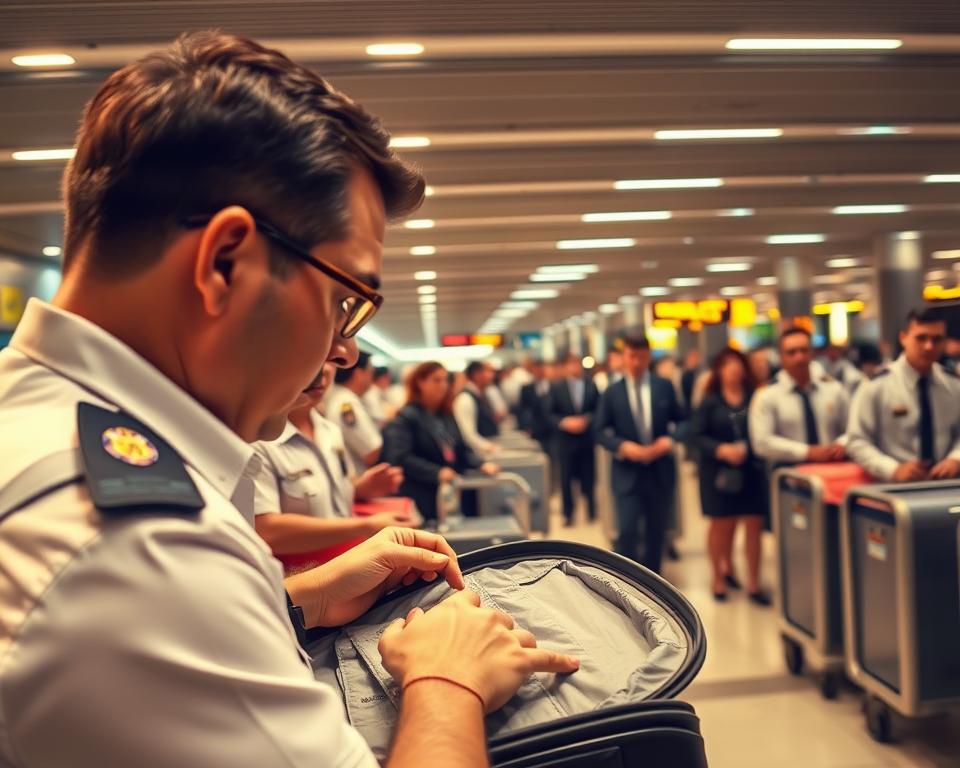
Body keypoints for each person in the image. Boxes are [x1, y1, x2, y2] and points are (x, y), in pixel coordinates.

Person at [0, 32, 579, 768]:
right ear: (225, 262)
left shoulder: (29, 423)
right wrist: (447, 681)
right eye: (345, 298)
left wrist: (297, 600)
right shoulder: (142, 550)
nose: (342, 349)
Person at [252, 361, 411, 561]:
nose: (325, 370)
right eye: (320, 357)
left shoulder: (329, 431)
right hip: (298, 575)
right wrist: (365, 526)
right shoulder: (257, 439)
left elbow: (338, 489)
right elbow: (265, 530)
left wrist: (362, 487)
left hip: (345, 559)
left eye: (332, 361)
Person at [594, 333, 684, 574]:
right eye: (632, 357)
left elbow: (685, 421)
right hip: (627, 472)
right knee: (627, 530)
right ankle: (630, 581)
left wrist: (670, 440)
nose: (636, 363)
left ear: (648, 358)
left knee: (657, 531)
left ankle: (655, 581)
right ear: (623, 357)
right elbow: (599, 430)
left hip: (659, 470)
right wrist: (621, 446)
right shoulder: (612, 392)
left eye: (642, 357)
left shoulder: (663, 387)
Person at [692, 348, 770, 604]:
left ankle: (754, 582)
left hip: (750, 471)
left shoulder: (756, 398)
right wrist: (720, 449)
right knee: (722, 525)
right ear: (719, 371)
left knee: (752, 526)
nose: (734, 370)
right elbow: (697, 435)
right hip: (718, 473)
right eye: (727, 366)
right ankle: (719, 575)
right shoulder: (710, 402)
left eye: (738, 365)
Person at [846, 308, 960, 482]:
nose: (929, 346)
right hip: (894, 488)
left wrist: (955, 459)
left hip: (946, 486)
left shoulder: (953, 385)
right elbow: (857, 441)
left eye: (936, 339)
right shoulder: (877, 386)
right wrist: (892, 469)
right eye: (921, 338)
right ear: (904, 338)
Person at [383, 361, 500, 522]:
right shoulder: (406, 417)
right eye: (436, 380)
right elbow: (400, 458)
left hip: (447, 493)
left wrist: (480, 464)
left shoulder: (445, 415)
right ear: (420, 383)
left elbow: (461, 449)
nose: (443, 385)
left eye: (445, 380)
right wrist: (436, 472)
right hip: (421, 494)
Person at [749, 328, 850, 467]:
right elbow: (761, 443)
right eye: (792, 352)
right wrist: (807, 452)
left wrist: (842, 444)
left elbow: (853, 428)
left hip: (833, 469)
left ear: (812, 353)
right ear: (781, 357)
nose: (799, 357)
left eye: (804, 350)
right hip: (789, 475)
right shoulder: (767, 395)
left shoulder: (833, 389)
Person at [549, 353, 601, 526]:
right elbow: (549, 414)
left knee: (589, 476)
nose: (574, 367)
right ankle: (568, 513)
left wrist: (587, 420)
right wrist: (564, 422)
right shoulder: (557, 387)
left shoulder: (590, 384)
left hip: (586, 439)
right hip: (566, 441)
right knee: (566, 479)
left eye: (576, 364)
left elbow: (599, 409)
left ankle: (592, 510)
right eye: (570, 364)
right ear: (564, 367)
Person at [326, 350, 383, 471]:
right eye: (370, 373)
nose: (372, 380)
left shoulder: (342, 397)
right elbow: (371, 453)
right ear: (358, 374)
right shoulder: (347, 404)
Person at [453, 360, 500, 457]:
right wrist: (488, 446)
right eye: (487, 372)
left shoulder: (480, 395)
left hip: (484, 451)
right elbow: (467, 435)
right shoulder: (466, 399)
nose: (491, 375)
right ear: (476, 374)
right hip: (477, 456)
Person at [519, 360, 554, 453]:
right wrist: (526, 425)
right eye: (536, 369)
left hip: (551, 426)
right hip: (536, 426)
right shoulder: (527, 388)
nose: (538, 371)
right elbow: (524, 409)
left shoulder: (554, 386)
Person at [681, 348, 702, 417]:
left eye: (696, 358)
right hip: (686, 409)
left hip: (697, 408)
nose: (694, 360)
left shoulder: (700, 374)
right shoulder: (683, 374)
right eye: (692, 358)